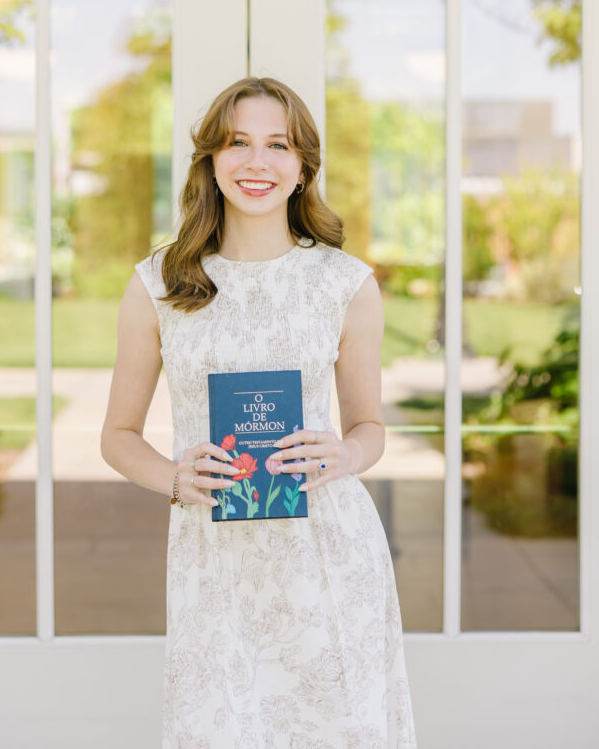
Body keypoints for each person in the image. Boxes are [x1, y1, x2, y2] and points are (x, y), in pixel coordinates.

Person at [100, 76, 418, 748]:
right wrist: (175, 479)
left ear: (303, 168)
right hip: (213, 560)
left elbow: (369, 428)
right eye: (238, 143)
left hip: (327, 553)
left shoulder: (344, 283)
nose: (257, 162)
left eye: (278, 145)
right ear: (211, 161)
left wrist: (346, 453)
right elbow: (118, 437)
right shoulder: (157, 284)